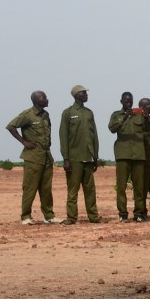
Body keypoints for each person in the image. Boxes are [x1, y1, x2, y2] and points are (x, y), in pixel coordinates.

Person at [6, 90, 61, 225]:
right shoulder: (27, 115)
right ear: (37, 100)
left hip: (46, 156)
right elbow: (11, 126)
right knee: (30, 188)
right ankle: (26, 217)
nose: (47, 99)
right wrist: (24, 142)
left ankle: (49, 216)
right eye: (44, 97)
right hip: (33, 157)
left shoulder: (46, 115)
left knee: (46, 188)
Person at [59, 85, 102, 225]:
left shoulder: (89, 113)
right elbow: (63, 136)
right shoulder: (68, 113)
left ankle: (94, 217)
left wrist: (95, 156)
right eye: (84, 93)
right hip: (74, 158)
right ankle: (71, 217)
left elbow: (94, 135)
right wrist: (66, 158)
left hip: (89, 157)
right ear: (77, 95)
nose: (86, 95)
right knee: (73, 189)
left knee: (90, 190)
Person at [109, 91, 147, 222]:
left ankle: (139, 213)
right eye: (126, 101)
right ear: (121, 102)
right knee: (121, 186)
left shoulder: (139, 116)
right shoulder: (116, 115)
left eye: (130, 101)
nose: (128, 103)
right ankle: (123, 214)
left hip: (138, 155)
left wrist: (146, 116)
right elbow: (112, 128)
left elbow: (148, 128)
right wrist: (125, 116)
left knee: (139, 187)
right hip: (123, 155)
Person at [139, 97, 150, 219]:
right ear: (143, 108)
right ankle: (142, 211)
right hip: (143, 159)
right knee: (143, 188)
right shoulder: (138, 120)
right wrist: (143, 117)